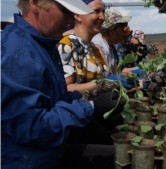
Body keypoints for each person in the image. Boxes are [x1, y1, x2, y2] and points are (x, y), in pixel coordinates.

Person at [1, 0, 125, 168]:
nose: (70, 19)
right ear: (36, 3)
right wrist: (89, 108)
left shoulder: (42, 44)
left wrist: (91, 100)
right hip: (31, 161)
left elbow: (56, 96)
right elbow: (31, 127)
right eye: (65, 10)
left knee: (117, 156)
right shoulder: (19, 53)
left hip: (50, 152)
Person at [56, 0, 126, 136]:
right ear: (77, 15)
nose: (103, 17)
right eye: (96, 11)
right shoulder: (67, 44)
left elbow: (106, 80)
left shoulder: (94, 48)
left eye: (103, 12)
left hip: (98, 118)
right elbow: (65, 89)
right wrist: (101, 84)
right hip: (80, 123)